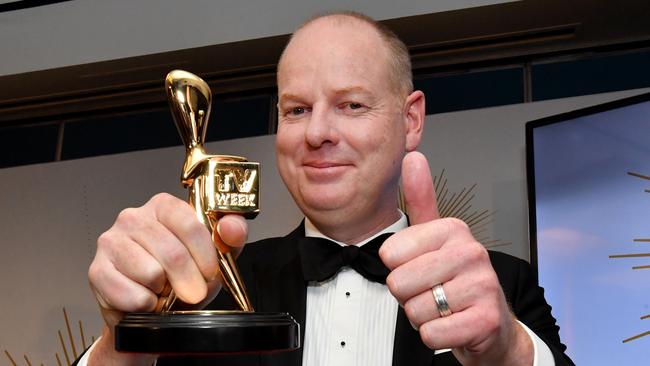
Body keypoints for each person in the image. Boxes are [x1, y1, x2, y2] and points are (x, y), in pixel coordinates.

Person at [77, 11, 574, 366]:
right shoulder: (202, 293)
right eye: (295, 109)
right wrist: (119, 346)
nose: (316, 132)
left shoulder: (503, 288)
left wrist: (508, 352)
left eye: (351, 105)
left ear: (411, 119)